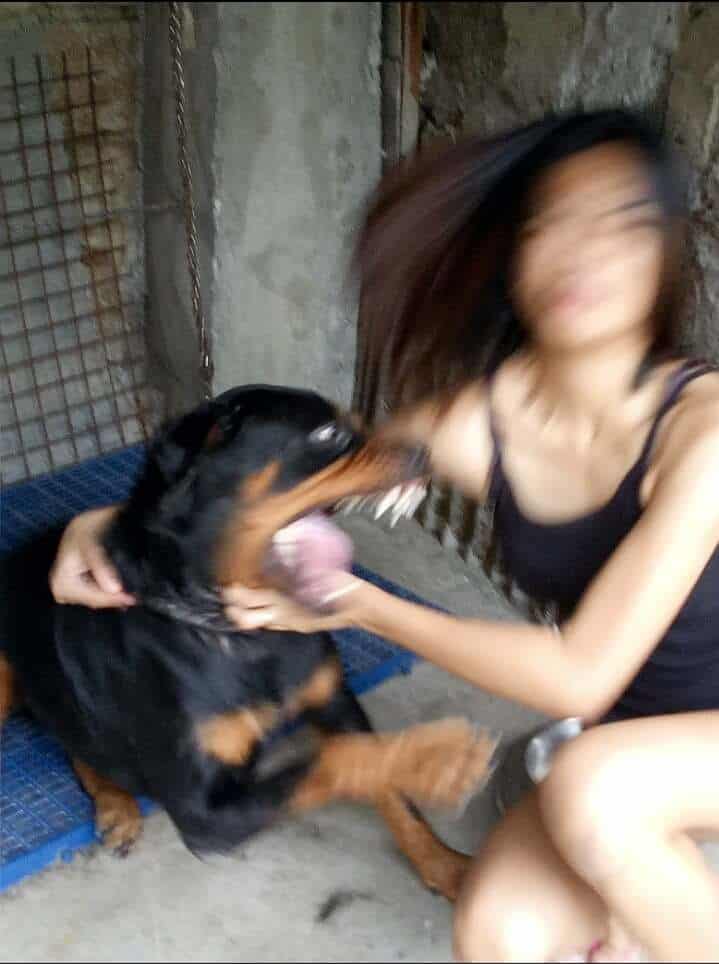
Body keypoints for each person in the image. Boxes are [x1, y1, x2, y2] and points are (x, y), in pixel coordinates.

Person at [49, 110, 719, 962]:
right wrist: (103, 527)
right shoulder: (479, 423)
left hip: (645, 749)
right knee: (497, 932)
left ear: (665, 253)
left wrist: (359, 605)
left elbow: (579, 675)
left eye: (621, 220)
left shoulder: (703, 430)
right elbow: (313, 473)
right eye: (550, 222)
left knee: (597, 792)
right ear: (510, 255)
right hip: (628, 740)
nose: (581, 251)